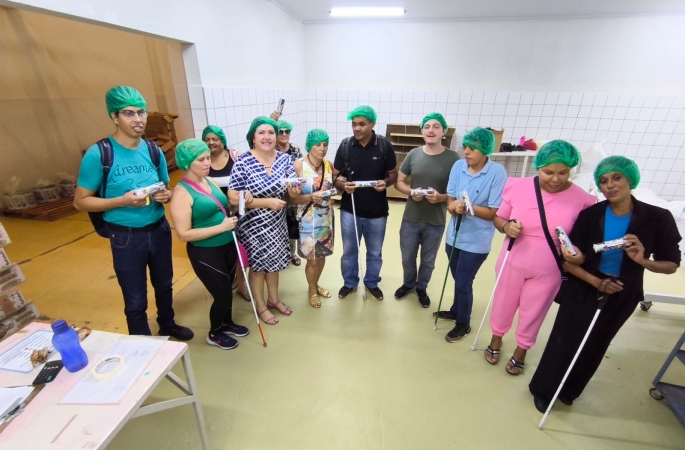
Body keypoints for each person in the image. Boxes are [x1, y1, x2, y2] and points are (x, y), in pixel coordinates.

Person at [529, 156, 681, 412]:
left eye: (616, 178)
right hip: (584, 285)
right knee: (563, 339)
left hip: (623, 292)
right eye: (603, 181)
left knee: (597, 343)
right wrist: (596, 281)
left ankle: (570, 391)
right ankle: (545, 389)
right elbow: (570, 262)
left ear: (630, 178)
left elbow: (671, 264)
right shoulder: (590, 216)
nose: (610, 185)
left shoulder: (657, 218)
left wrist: (642, 260)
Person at [74, 85, 192, 340]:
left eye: (142, 112)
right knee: (135, 298)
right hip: (126, 237)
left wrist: (166, 195)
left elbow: (166, 187)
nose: (138, 120)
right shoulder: (100, 154)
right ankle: (141, 344)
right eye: (129, 113)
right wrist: (121, 201)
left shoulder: (153, 150)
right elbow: (80, 201)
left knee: (164, 286)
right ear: (114, 117)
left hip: (159, 230)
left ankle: (167, 324)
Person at [484, 140, 596, 374]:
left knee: (535, 309)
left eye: (563, 173)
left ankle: (522, 349)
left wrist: (575, 252)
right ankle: (496, 338)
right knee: (503, 301)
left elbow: (583, 237)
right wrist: (506, 227)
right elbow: (498, 218)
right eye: (548, 172)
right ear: (538, 167)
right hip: (512, 258)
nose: (556, 179)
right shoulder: (517, 187)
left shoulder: (583, 200)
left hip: (550, 267)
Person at [169, 139, 250, 349]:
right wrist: (220, 228)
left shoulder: (210, 181)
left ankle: (227, 323)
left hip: (227, 244)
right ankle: (214, 333)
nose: (208, 162)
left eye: (208, 158)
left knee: (228, 288)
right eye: (201, 159)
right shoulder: (181, 193)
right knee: (221, 292)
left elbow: (224, 206)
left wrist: (241, 200)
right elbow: (183, 234)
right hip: (205, 251)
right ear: (187, 163)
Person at [432, 128, 507, 341]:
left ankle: (463, 323)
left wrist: (468, 207)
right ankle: (457, 309)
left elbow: (494, 212)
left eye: (472, 148)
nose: (466, 152)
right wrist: (454, 205)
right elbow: (450, 199)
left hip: (476, 242)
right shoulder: (458, 166)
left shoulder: (496, 173)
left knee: (464, 282)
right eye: (465, 147)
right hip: (454, 236)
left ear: (484, 150)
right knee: (458, 278)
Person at [228, 116, 299, 325]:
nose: (267, 137)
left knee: (275, 264)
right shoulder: (243, 161)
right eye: (261, 133)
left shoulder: (284, 160)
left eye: (271, 133)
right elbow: (232, 197)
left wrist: (294, 189)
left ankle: (273, 299)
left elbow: (292, 191)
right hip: (253, 226)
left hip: (277, 223)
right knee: (258, 267)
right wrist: (264, 202)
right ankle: (260, 306)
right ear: (253, 137)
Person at [393, 113, 459, 308]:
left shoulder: (453, 158)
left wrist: (441, 197)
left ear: (444, 131)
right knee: (407, 257)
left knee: (428, 260)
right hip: (411, 218)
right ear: (422, 131)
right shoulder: (414, 154)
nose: (431, 130)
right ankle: (408, 283)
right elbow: (399, 182)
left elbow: (458, 192)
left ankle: (421, 287)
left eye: (436, 126)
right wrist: (411, 192)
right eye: (427, 126)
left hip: (436, 220)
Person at [333, 105, 397, 301]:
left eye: (362, 124)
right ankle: (350, 282)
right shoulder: (345, 146)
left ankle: (371, 282)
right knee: (349, 251)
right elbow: (335, 177)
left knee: (375, 252)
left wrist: (385, 183)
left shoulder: (384, 146)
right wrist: (342, 185)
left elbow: (393, 175)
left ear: (372, 124)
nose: (357, 128)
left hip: (377, 212)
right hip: (349, 209)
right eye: (354, 124)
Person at [202, 125, 249, 300]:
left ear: (223, 140)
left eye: (215, 139)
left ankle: (242, 286)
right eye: (207, 139)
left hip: (237, 213)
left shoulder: (234, 157)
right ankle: (228, 281)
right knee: (223, 251)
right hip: (214, 215)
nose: (211, 142)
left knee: (240, 250)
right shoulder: (204, 161)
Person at [290, 129, 335, 308]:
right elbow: (290, 198)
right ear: (309, 145)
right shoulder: (299, 165)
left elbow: (333, 187)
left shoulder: (328, 165)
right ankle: (311, 290)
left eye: (325, 144)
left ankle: (316, 284)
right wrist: (310, 197)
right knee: (312, 258)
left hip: (325, 219)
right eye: (318, 144)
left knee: (322, 255)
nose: (322, 148)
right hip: (306, 220)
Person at [270, 114, 304, 266]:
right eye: (281, 131)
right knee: (277, 224)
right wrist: (272, 121)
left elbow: (302, 168)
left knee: (292, 223)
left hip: (292, 194)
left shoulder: (295, 150)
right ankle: (279, 253)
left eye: (287, 131)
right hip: (275, 194)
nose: (284, 134)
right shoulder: (270, 149)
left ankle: (292, 253)